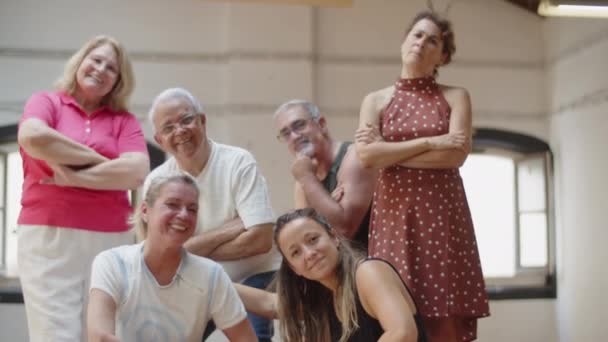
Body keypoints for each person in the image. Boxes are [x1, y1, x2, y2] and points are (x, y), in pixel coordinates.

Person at [355, 10, 490, 342]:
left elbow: (455, 155)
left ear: (443, 56)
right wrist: (431, 141)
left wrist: (392, 151)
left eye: (433, 40)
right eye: (417, 35)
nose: (422, 43)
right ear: (404, 41)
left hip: (443, 216)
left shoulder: (456, 96)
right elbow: (368, 156)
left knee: (444, 312)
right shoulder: (375, 100)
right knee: (398, 309)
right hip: (394, 216)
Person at [16, 35, 149, 341]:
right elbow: (34, 137)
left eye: (111, 68)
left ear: (118, 81)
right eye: (96, 59)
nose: (101, 69)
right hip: (47, 236)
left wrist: (75, 177)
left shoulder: (124, 121)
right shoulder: (46, 102)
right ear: (80, 61)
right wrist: (104, 163)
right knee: (54, 333)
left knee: (105, 331)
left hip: (111, 238)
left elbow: (137, 171)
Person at [144, 87, 279, 341]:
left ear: (202, 121)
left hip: (255, 275)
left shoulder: (238, 161)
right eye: (169, 127)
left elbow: (261, 240)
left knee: (254, 337)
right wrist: (231, 229)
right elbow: (160, 256)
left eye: (186, 120)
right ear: (159, 139)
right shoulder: (156, 182)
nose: (180, 131)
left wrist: (187, 250)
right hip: (197, 279)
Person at [88, 173, 257, 342]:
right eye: (172, 204)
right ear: (145, 211)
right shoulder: (112, 262)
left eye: (192, 209)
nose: (184, 215)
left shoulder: (211, 275)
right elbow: (100, 337)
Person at [234, 208, 427, 342]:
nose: (309, 254)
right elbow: (269, 303)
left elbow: (402, 333)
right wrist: (213, 276)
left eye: (312, 239)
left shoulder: (368, 272)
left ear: (333, 237)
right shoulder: (324, 299)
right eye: (296, 253)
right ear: (295, 269)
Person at [273, 100, 375, 250]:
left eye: (299, 125)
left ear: (321, 124)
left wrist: (307, 179)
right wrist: (327, 206)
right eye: (286, 133)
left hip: (371, 263)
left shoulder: (354, 155)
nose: (294, 136)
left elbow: (344, 230)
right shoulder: (305, 175)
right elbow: (304, 237)